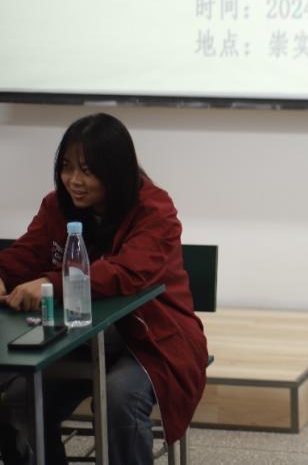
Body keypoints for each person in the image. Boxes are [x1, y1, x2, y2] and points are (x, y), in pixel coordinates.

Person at [0, 113, 208, 465]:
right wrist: (3, 274)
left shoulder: (155, 209)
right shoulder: (56, 206)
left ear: (115, 170)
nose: (74, 180)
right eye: (66, 167)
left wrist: (50, 283)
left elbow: (125, 272)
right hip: (76, 339)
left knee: (119, 399)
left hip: (149, 339)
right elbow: (27, 253)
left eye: (87, 170)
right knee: (18, 402)